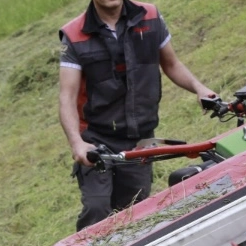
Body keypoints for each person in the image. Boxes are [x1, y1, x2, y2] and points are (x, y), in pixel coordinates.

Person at [58, 0, 217, 231]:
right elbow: (67, 97)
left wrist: (199, 88)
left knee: (134, 211)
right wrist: (77, 143)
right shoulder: (74, 35)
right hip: (96, 140)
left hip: (139, 138)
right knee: (97, 207)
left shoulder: (150, 16)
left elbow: (171, 64)